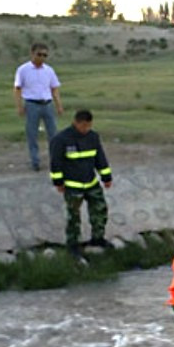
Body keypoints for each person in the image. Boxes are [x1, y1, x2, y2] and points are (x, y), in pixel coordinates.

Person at [49, 109, 113, 259]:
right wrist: (58, 182)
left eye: (89, 126)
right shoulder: (61, 139)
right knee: (73, 217)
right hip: (72, 186)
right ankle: (73, 244)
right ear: (76, 123)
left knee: (100, 210)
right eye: (84, 126)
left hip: (91, 183)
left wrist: (106, 177)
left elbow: (100, 159)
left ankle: (98, 238)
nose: (86, 129)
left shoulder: (93, 137)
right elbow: (55, 163)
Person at [13, 42, 64, 171]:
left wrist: (59, 105)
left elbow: (55, 88)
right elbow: (17, 88)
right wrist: (19, 106)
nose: (42, 58)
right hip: (31, 105)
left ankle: (56, 160)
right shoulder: (23, 70)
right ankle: (35, 161)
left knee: (53, 134)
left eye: (45, 55)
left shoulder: (49, 70)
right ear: (32, 53)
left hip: (47, 104)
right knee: (32, 134)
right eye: (39, 54)